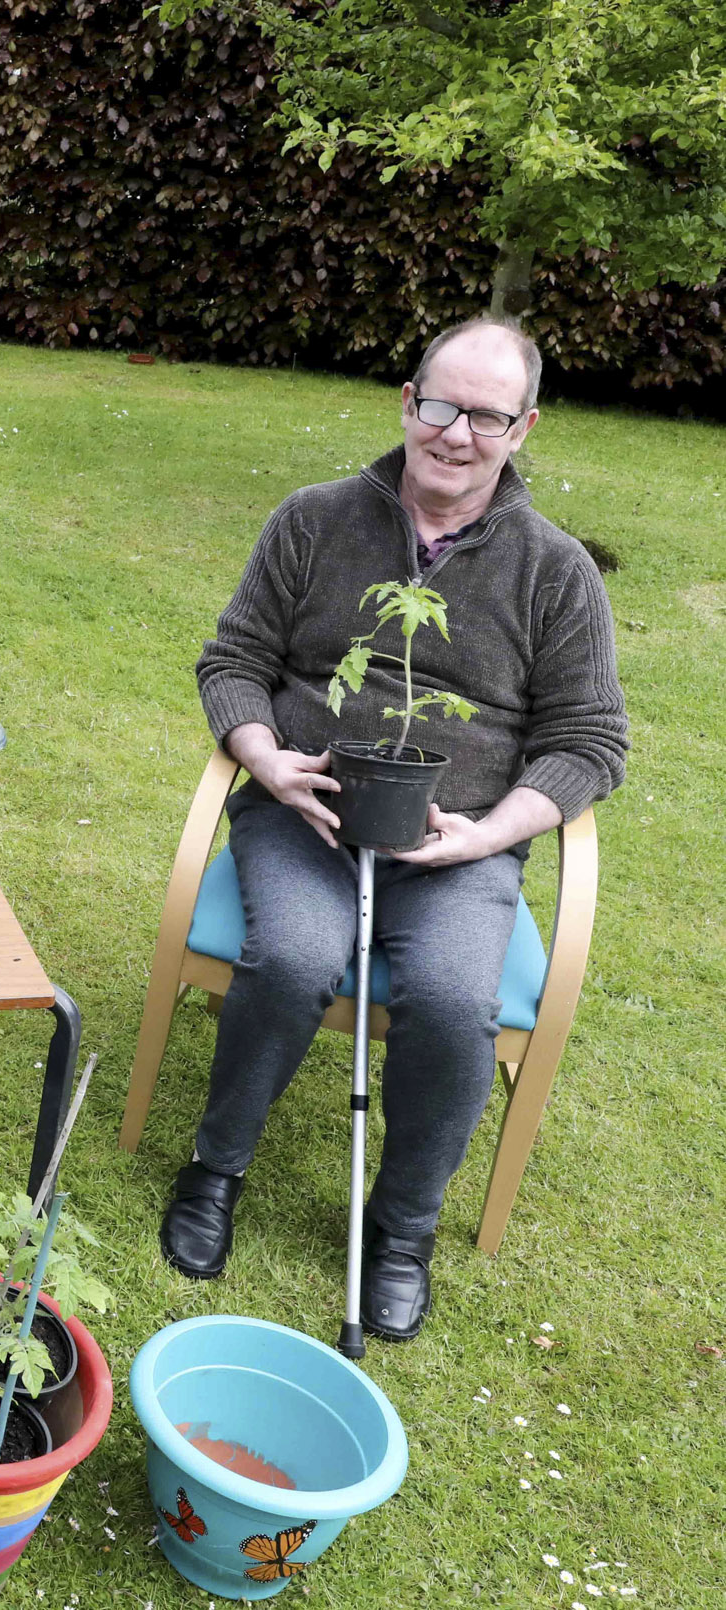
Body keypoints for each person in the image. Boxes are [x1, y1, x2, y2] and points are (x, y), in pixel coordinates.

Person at [168, 317, 627, 1341]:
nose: (456, 432)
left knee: (460, 995)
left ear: (523, 428)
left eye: (486, 415)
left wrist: (486, 833)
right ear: (404, 401)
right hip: (307, 814)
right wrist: (263, 756)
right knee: (290, 955)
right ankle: (213, 1169)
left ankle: (402, 1226)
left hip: (456, 846)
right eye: (439, 404)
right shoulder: (313, 519)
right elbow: (232, 657)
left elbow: (591, 739)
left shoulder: (555, 572)